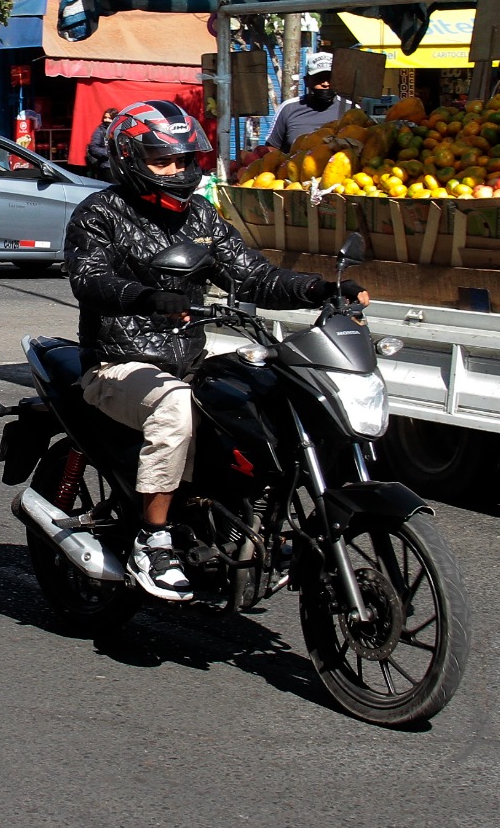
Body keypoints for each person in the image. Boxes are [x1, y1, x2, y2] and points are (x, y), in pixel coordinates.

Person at [64, 100, 369, 601]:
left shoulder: (199, 215)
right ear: (129, 159)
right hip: (117, 363)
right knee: (175, 407)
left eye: (183, 161)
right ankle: (153, 540)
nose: (176, 171)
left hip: (187, 360)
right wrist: (150, 298)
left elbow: (253, 274)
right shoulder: (100, 213)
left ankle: (243, 519)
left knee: (268, 394)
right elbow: (90, 279)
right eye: (162, 161)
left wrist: (317, 290)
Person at [266, 53, 354, 153]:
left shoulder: (350, 110)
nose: (325, 84)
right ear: (306, 81)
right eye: (319, 78)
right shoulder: (289, 108)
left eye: (330, 78)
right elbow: (271, 149)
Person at [87, 107, 118, 180]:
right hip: (107, 166)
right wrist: (108, 153)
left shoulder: (118, 130)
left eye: (110, 118)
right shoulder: (100, 130)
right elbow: (93, 148)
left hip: (119, 166)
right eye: (105, 117)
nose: (106, 120)